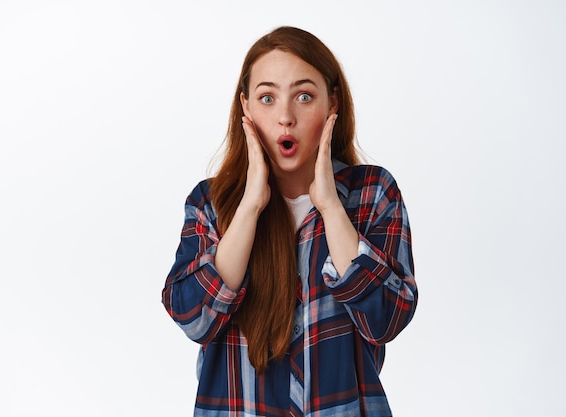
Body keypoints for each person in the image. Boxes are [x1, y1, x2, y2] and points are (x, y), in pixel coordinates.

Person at [162, 26, 417, 417]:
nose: (285, 117)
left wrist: (331, 207)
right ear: (246, 108)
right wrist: (249, 207)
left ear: (332, 103)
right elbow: (193, 319)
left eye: (303, 96)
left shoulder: (373, 192)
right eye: (267, 98)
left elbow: (386, 319)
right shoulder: (211, 204)